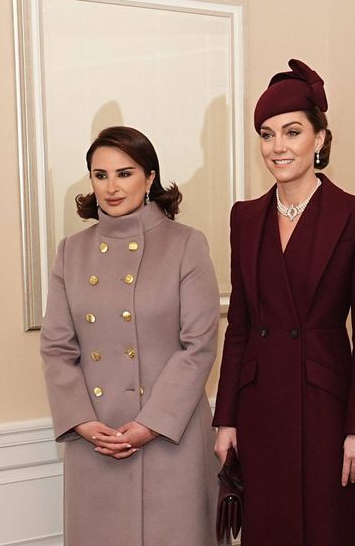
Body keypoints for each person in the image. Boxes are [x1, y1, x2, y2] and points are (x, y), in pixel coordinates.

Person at [212, 59, 355, 546]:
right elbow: (240, 325)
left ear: (320, 138)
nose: (277, 147)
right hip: (259, 406)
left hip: (328, 412)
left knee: (328, 531)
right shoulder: (245, 218)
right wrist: (226, 417)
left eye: (292, 132)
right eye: (267, 135)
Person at [41, 126, 220, 545]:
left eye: (124, 173)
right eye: (100, 175)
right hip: (96, 440)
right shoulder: (71, 250)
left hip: (170, 438)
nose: (111, 187)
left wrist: (150, 424)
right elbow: (56, 347)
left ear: (150, 177)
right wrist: (83, 420)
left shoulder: (186, 244)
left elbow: (198, 345)